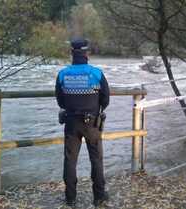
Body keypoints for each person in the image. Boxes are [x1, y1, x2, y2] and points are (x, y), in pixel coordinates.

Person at [55, 38, 110, 207]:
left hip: (71, 122)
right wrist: (96, 109)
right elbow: (106, 98)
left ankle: (70, 198)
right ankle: (99, 196)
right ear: (86, 54)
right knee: (96, 159)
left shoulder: (63, 74)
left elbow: (60, 100)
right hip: (92, 123)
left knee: (70, 160)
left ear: (72, 53)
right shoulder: (96, 73)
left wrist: (71, 108)